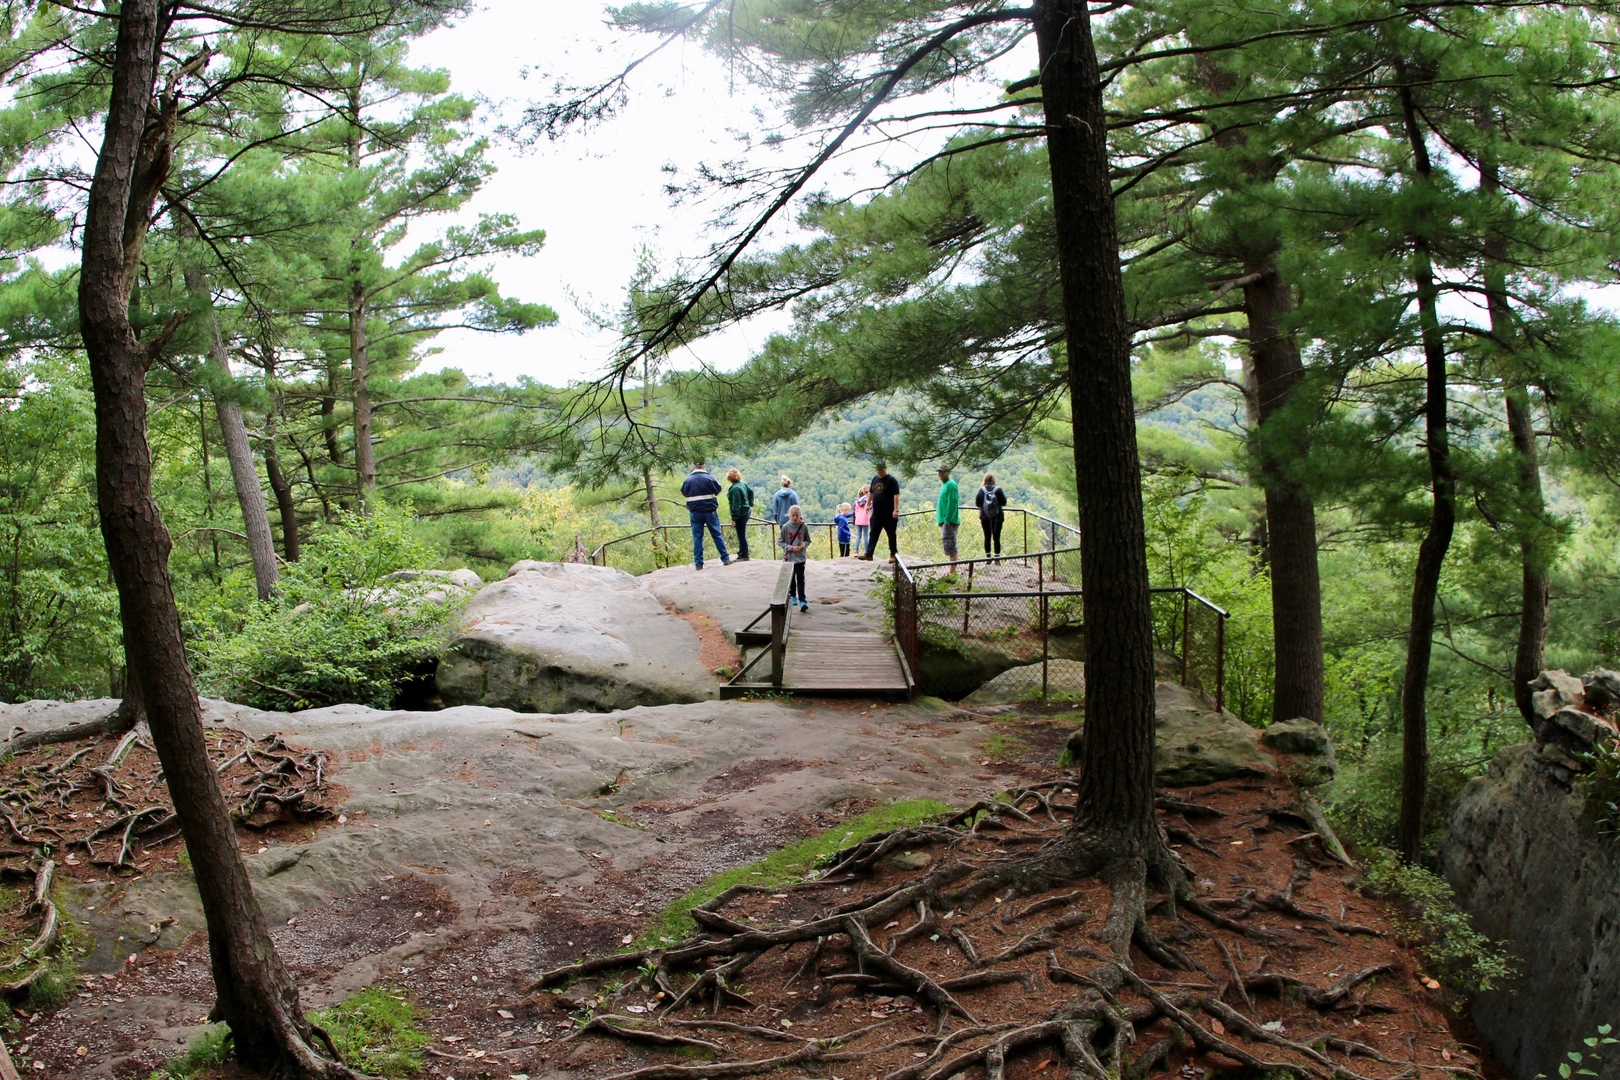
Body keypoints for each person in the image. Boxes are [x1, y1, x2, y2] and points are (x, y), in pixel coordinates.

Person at [680, 461, 731, 570]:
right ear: (704, 466)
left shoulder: (688, 480)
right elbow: (718, 490)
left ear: (693, 466)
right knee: (717, 534)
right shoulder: (710, 478)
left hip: (695, 512)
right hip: (710, 511)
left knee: (697, 538)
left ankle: (698, 564)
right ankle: (725, 559)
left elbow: (684, 492)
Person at [859, 461, 901, 561]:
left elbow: (896, 495)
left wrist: (896, 510)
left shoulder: (892, 480)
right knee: (873, 533)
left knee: (891, 534)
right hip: (877, 513)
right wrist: (867, 504)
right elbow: (871, 492)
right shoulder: (875, 479)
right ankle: (869, 553)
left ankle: (893, 554)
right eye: (877, 470)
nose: (879, 472)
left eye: (881, 470)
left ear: (885, 469)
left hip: (889, 513)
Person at [780, 504, 811, 613]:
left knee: (800, 579)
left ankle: (803, 600)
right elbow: (780, 542)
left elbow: (808, 540)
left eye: (797, 515)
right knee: (791, 579)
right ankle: (793, 596)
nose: (795, 517)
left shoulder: (804, 527)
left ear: (800, 516)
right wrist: (790, 547)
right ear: (789, 515)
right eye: (793, 515)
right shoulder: (785, 527)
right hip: (790, 558)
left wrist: (804, 545)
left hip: (801, 558)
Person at [975, 472, 1008, 556]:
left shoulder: (981, 490)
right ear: (993, 480)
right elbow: (1004, 502)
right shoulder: (998, 490)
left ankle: (988, 558)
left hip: (985, 518)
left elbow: (977, 504)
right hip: (997, 518)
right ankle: (997, 558)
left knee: (987, 537)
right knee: (997, 538)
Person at [726, 467, 755, 561]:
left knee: (741, 534)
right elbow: (751, 492)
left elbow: (736, 505)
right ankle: (743, 552)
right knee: (742, 533)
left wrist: (734, 518)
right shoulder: (743, 484)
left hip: (741, 514)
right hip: (746, 512)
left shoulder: (735, 489)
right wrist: (750, 504)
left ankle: (744, 554)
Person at [936, 466, 960, 565]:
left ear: (948, 472)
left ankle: (952, 574)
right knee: (948, 546)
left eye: (942, 472)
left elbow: (952, 503)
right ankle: (952, 573)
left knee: (951, 547)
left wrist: (947, 520)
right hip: (944, 521)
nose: (940, 474)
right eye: (939, 472)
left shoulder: (951, 485)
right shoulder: (944, 485)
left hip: (949, 522)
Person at [853, 484, 872, 554]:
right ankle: (867, 551)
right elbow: (871, 506)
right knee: (866, 535)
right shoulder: (869, 500)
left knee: (858, 536)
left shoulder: (856, 501)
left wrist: (854, 520)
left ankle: (856, 551)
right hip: (865, 519)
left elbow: (854, 511)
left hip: (858, 520)